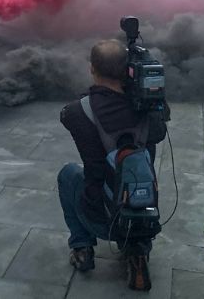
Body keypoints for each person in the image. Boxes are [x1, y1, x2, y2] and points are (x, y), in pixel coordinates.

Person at [58, 40, 168, 292]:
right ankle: (137, 252)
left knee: (68, 174)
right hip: (143, 218)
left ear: (92, 69)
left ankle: (82, 247)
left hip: (100, 216)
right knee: (136, 187)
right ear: (128, 69)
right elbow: (160, 131)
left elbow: (65, 115)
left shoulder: (77, 112)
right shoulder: (147, 110)